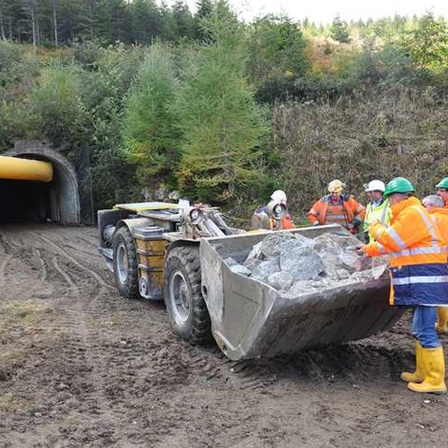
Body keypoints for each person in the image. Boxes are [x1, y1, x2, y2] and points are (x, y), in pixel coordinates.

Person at [357, 177, 448, 394]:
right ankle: (422, 373)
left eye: (389, 200)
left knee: (425, 331)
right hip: (421, 281)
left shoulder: (412, 213)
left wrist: (376, 227)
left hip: (425, 281)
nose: (389, 204)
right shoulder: (411, 213)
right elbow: (398, 245)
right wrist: (368, 249)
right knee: (419, 329)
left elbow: (392, 240)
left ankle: (435, 380)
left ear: (395, 198)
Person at [422, 194, 448, 333]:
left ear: (432, 206)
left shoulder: (430, 220)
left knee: (437, 296)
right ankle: (444, 325)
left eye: (424, 206)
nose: (423, 209)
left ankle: (441, 326)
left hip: (436, 261)